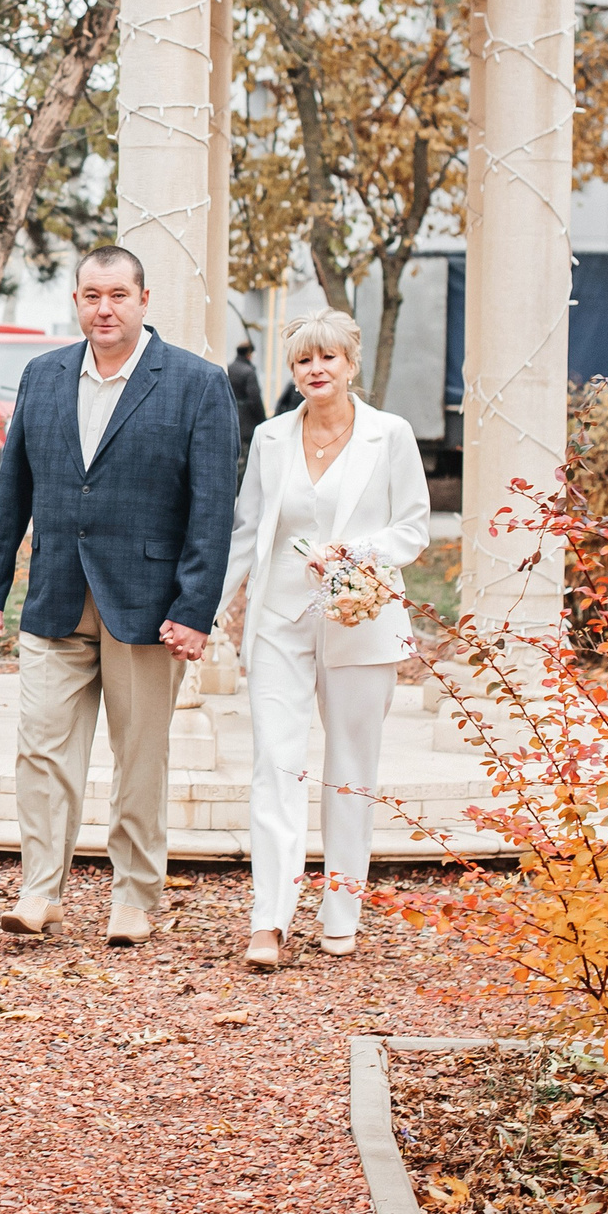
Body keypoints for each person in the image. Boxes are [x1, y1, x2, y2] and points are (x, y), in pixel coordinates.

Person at [0, 246, 239, 946]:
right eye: (91, 295)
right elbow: (13, 491)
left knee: (140, 756)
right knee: (42, 748)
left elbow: (212, 510)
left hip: (148, 607)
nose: (104, 308)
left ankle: (136, 895)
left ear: (145, 299)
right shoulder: (44, 375)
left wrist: (193, 608)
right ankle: (39, 889)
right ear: (78, 301)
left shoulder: (196, 383)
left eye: (118, 294)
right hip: (56, 593)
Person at [220, 309, 429, 969]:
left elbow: (414, 527)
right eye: (304, 360)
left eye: (328, 358)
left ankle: (341, 910)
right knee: (274, 765)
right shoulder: (270, 437)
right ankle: (269, 919)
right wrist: (209, 606)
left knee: (350, 770)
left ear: (350, 362)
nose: (316, 370)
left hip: (359, 617)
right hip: (280, 619)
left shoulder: (389, 435)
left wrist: (354, 550)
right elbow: (248, 530)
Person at [227, 340, 268, 479]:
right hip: (247, 423)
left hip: (230, 418)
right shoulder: (249, 372)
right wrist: (263, 421)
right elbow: (255, 399)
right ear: (250, 354)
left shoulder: (229, 368)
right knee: (244, 460)